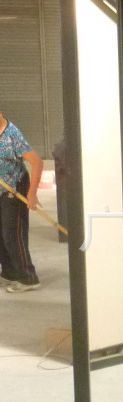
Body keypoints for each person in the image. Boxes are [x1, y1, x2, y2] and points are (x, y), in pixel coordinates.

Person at [0, 110, 43, 292]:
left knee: (12, 234)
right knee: (1, 235)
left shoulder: (12, 135)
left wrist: (32, 194)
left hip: (14, 187)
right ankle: (10, 272)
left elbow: (37, 162)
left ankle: (28, 278)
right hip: (1, 188)